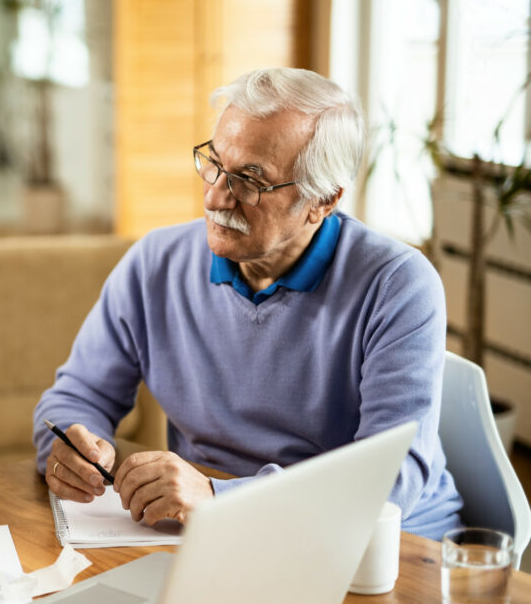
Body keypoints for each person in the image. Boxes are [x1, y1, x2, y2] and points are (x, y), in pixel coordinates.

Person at [33, 68, 463, 540]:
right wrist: (74, 448)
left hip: (373, 545)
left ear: (323, 200)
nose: (216, 195)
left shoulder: (398, 285)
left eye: (250, 180)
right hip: (211, 535)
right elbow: (77, 395)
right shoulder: (155, 263)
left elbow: (387, 483)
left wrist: (220, 498)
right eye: (214, 163)